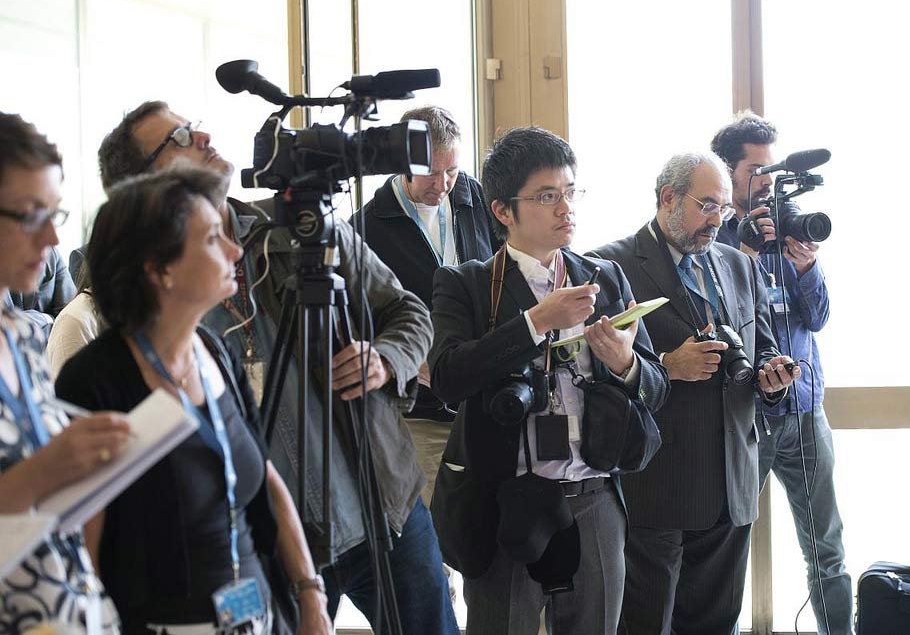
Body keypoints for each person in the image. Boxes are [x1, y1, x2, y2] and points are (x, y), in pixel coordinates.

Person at [88, 101, 457, 634]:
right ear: (140, 183)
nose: (204, 135)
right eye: (182, 137)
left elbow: (407, 312)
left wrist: (386, 360)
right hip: (277, 543)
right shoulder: (151, 301)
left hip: (383, 502)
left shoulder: (299, 227)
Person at [54, 166, 333, 634]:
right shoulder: (97, 379)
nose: (234, 249)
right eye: (210, 240)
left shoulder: (214, 349)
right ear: (158, 268)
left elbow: (263, 476)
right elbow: (86, 542)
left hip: (258, 616)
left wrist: (310, 595)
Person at [428, 126, 669, 635]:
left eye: (570, 192)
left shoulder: (604, 276)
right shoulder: (466, 284)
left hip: (595, 494)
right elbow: (449, 378)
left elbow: (657, 385)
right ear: (501, 211)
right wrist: (537, 321)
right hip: (506, 500)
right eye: (546, 196)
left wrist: (626, 365)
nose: (566, 208)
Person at [590, 151, 798, 635]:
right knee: (646, 623)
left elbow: (761, 345)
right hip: (657, 484)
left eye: (724, 209)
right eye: (708, 206)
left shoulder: (738, 265)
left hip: (732, 483)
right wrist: (667, 365)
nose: (718, 221)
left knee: (715, 624)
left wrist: (771, 377)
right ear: (668, 198)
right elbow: (592, 377)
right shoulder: (609, 264)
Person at [711, 113, 850, 635]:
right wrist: (743, 255)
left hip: (804, 410)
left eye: (771, 170)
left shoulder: (792, 225)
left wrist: (806, 266)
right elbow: (716, 320)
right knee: (726, 546)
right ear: (729, 173)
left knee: (828, 549)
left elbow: (817, 317)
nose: (766, 181)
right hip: (745, 413)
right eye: (756, 169)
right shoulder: (715, 238)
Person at [0, 112, 125, 632]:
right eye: (31, 215)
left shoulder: (25, 334)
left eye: (56, 213)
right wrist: (42, 473)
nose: (53, 238)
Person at [350, 104, 499, 506]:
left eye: (451, 170)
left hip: (485, 401)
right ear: (403, 161)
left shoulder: (478, 198)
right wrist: (407, 359)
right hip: (422, 412)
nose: (443, 183)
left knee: (485, 538)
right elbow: (356, 324)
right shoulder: (365, 229)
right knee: (439, 539)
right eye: (431, 172)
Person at [3, 245, 74, 339]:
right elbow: (5, 325)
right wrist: (47, 318)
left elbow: (70, 318)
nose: (54, 239)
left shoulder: (50, 254)